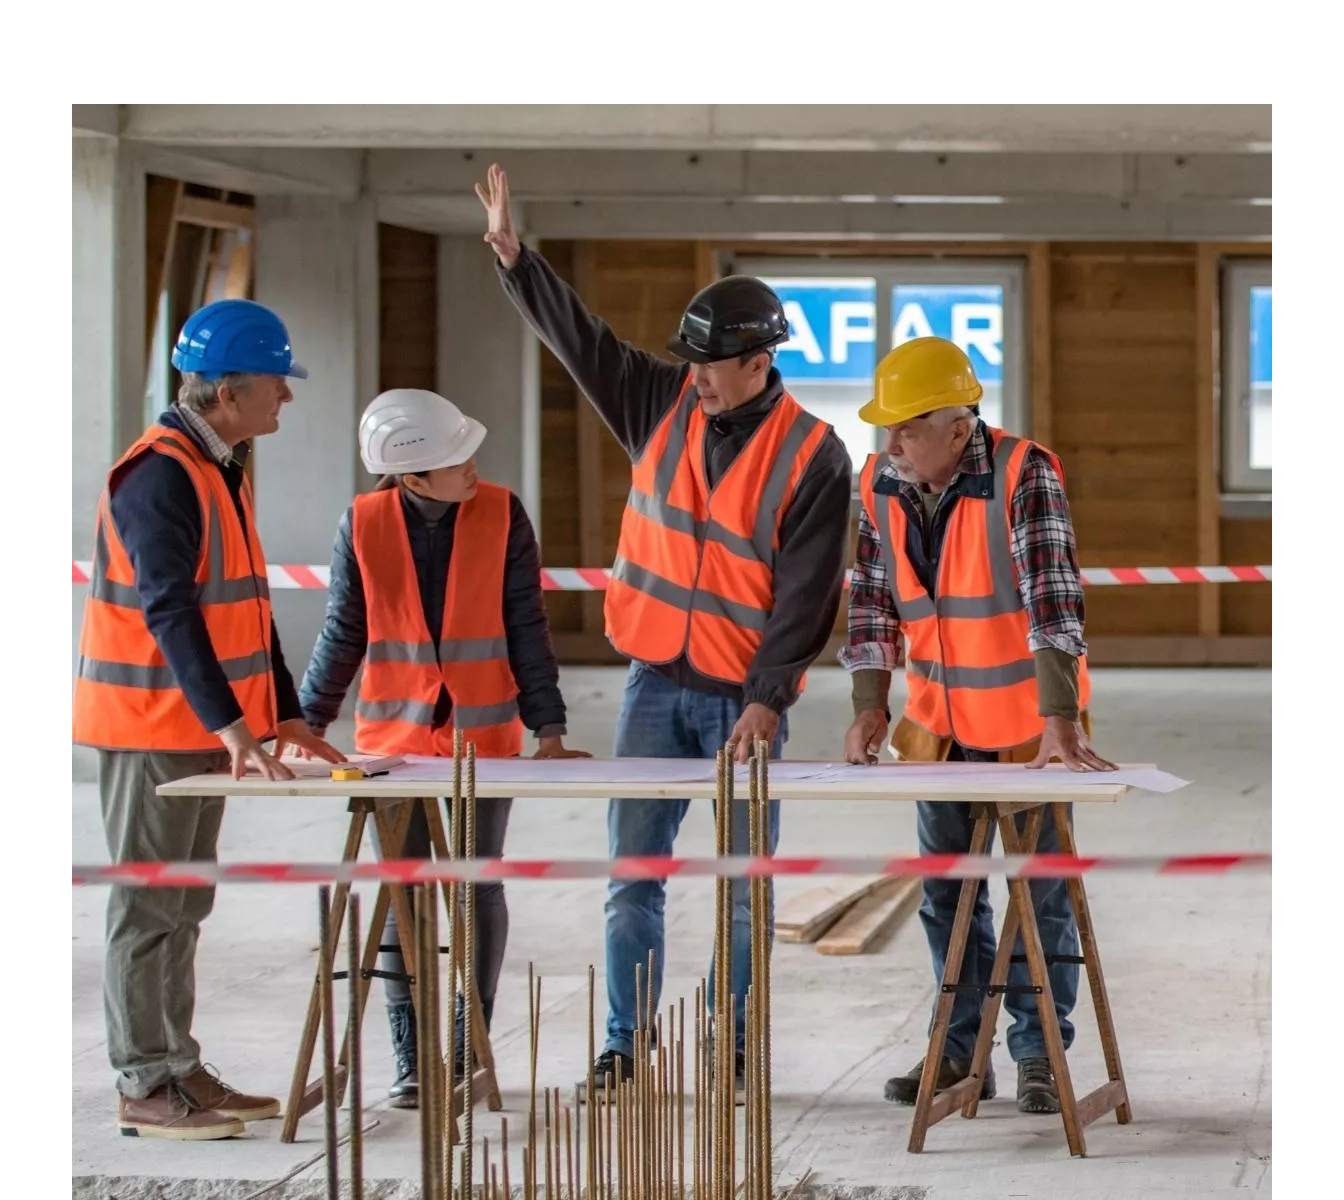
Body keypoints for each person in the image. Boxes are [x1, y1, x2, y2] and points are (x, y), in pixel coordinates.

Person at [475, 163, 854, 1101]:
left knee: (738, 885)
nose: (694, 377)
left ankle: (731, 1046)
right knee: (631, 876)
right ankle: (625, 1045)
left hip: (740, 703)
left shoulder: (815, 455)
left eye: (710, 364)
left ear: (759, 362)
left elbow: (807, 597)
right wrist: (519, 264)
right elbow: (584, 344)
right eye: (688, 361)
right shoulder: (660, 406)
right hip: (652, 685)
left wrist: (770, 701)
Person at [74, 299, 343, 1140]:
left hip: (194, 726)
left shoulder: (215, 464)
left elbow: (246, 607)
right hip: (153, 725)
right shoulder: (159, 474)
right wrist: (233, 727)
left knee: (184, 903)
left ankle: (179, 1068)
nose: (286, 400)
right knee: (148, 907)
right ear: (227, 391)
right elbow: (170, 611)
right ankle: (145, 1082)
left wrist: (284, 716)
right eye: (276, 384)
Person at [839, 336, 1116, 1115]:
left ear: (959, 429)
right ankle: (959, 1050)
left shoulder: (1024, 472)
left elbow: (1052, 595)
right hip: (937, 724)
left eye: (907, 427)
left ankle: (1038, 1051)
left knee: (1042, 895)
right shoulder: (879, 484)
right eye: (886, 428)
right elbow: (870, 599)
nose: (891, 443)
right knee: (946, 895)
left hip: (1030, 728)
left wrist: (1060, 717)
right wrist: (869, 701)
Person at [298, 389, 588, 1108]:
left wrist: (549, 729)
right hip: (390, 746)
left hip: (482, 741)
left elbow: (527, 623)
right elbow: (344, 631)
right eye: (455, 458)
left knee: (475, 886)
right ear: (411, 477)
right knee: (405, 895)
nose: (473, 466)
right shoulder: (363, 525)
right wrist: (305, 722)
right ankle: (410, 1053)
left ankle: (468, 1046)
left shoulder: (501, 512)